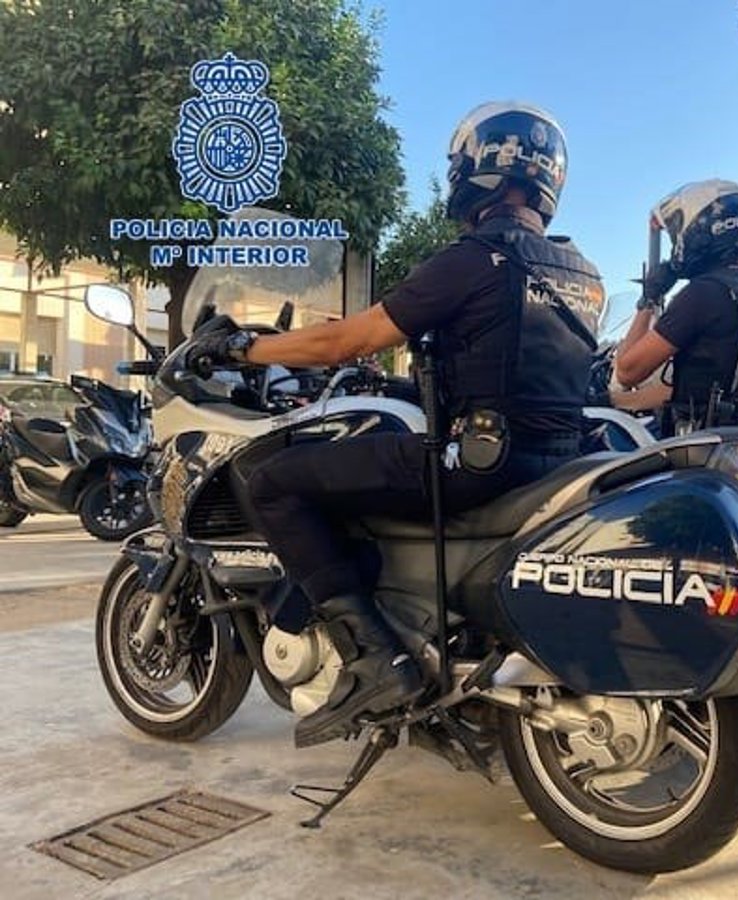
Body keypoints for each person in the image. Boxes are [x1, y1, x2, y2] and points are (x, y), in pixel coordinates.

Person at [185, 102, 604, 747]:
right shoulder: (584, 275)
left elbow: (347, 341)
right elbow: (516, 368)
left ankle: (375, 658)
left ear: (479, 168)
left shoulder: (474, 258)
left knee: (273, 482)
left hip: (476, 464)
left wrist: (244, 348)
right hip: (559, 458)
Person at [614, 180, 738, 434]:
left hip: (699, 442)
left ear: (699, 230)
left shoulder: (704, 293)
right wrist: (615, 401)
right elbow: (691, 389)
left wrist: (648, 299)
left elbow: (627, 372)